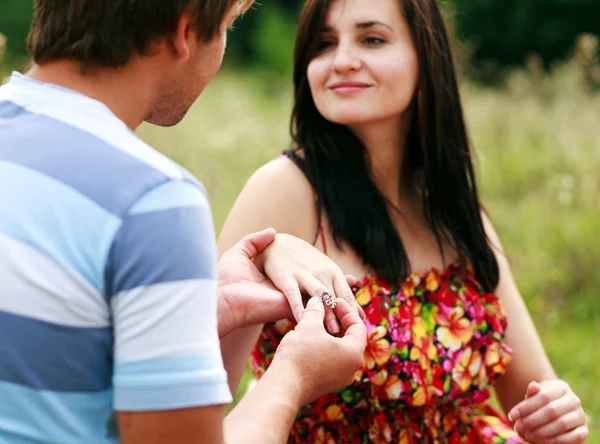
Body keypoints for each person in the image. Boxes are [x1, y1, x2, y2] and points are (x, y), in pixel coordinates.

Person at [218, 0, 590, 442]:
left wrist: (556, 413)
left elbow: (530, 392)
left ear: (426, 58)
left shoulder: (454, 210)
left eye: (372, 39)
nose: (342, 61)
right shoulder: (284, 189)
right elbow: (197, 397)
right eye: (324, 44)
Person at [0, 1, 368, 443]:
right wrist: (291, 376)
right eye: (227, 28)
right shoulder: (152, 199)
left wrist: (198, 311)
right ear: (185, 32)